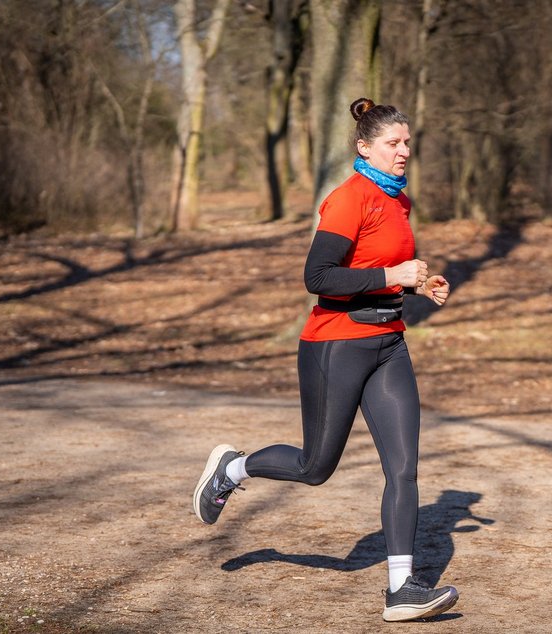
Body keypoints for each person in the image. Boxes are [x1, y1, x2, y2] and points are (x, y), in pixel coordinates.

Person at [192, 97, 457, 623]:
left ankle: (401, 588)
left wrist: (421, 283)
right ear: (365, 147)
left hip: (389, 344)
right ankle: (233, 468)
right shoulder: (348, 199)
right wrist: (391, 278)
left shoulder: (399, 201)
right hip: (336, 345)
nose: (404, 151)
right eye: (393, 143)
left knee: (403, 469)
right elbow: (318, 277)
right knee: (316, 467)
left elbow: (386, 265)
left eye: (408, 142)